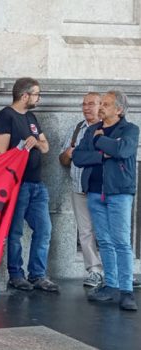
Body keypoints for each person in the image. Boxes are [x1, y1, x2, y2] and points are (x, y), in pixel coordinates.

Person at [0, 77, 59, 292]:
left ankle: (38, 274)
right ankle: (15, 274)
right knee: (15, 231)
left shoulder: (30, 117)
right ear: (24, 95)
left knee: (44, 229)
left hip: (37, 183)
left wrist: (36, 142)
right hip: (17, 184)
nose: (38, 98)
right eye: (36, 94)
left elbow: (46, 147)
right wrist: (21, 149)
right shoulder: (5, 117)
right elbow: (1, 154)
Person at [73, 90, 138, 311]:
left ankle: (127, 291)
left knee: (121, 241)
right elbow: (78, 157)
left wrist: (100, 140)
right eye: (101, 104)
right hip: (94, 192)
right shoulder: (90, 130)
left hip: (119, 192)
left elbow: (122, 150)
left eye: (106, 105)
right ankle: (111, 286)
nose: (101, 108)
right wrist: (102, 154)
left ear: (119, 109)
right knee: (105, 241)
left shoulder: (130, 130)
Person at [59, 92, 104, 287]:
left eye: (91, 104)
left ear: (101, 106)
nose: (86, 107)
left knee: (107, 231)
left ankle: (116, 271)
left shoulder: (106, 128)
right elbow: (63, 160)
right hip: (78, 188)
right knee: (85, 232)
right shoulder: (77, 129)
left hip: (101, 189)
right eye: (84, 104)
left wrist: (83, 156)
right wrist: (68, 154)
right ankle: (94, 271)